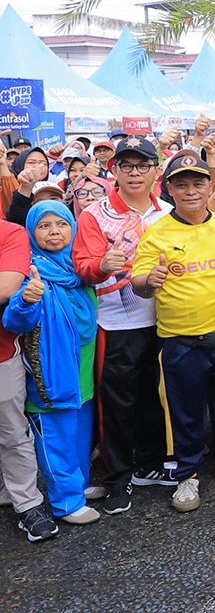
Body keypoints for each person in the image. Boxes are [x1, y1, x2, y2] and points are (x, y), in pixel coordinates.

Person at [132, 153, 215, 513]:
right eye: (182, 184)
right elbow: (139, 283)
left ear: (211, 186)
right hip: (179, 342)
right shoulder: (157, 233)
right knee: (182, 412)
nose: (191, 191)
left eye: (198, 183)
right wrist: (149, 282)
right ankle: (185, 475)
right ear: (169, 188)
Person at [72, 136, 174, 514]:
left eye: (142, 165)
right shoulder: (94, 214)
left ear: (155, 171)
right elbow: (82, 265)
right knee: (116, 402)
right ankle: (117, 476)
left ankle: (149, 463)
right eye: (126, 165)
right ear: (113, 170)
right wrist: (101, 266)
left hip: (165, 320)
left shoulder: (168, 211)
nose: (134, 172)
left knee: (153, 395)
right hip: (116, 323)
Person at [5, 201, 100, 526]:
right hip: (50, 373)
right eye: (44, 226)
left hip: (81, 368)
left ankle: (80, 486)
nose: (54, 232)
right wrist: (25, 299)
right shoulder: (31, 270)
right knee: (56, 436)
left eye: (60, 224)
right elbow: (14, 320)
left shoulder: (76, 268)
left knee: (78, 433)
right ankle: (66, 502)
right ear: (32, 231)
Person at [0, 215, 58, 541]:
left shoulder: (10, 233)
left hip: (2, 353)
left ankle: (27, 504)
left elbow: (7, 287)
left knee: (12, 433)